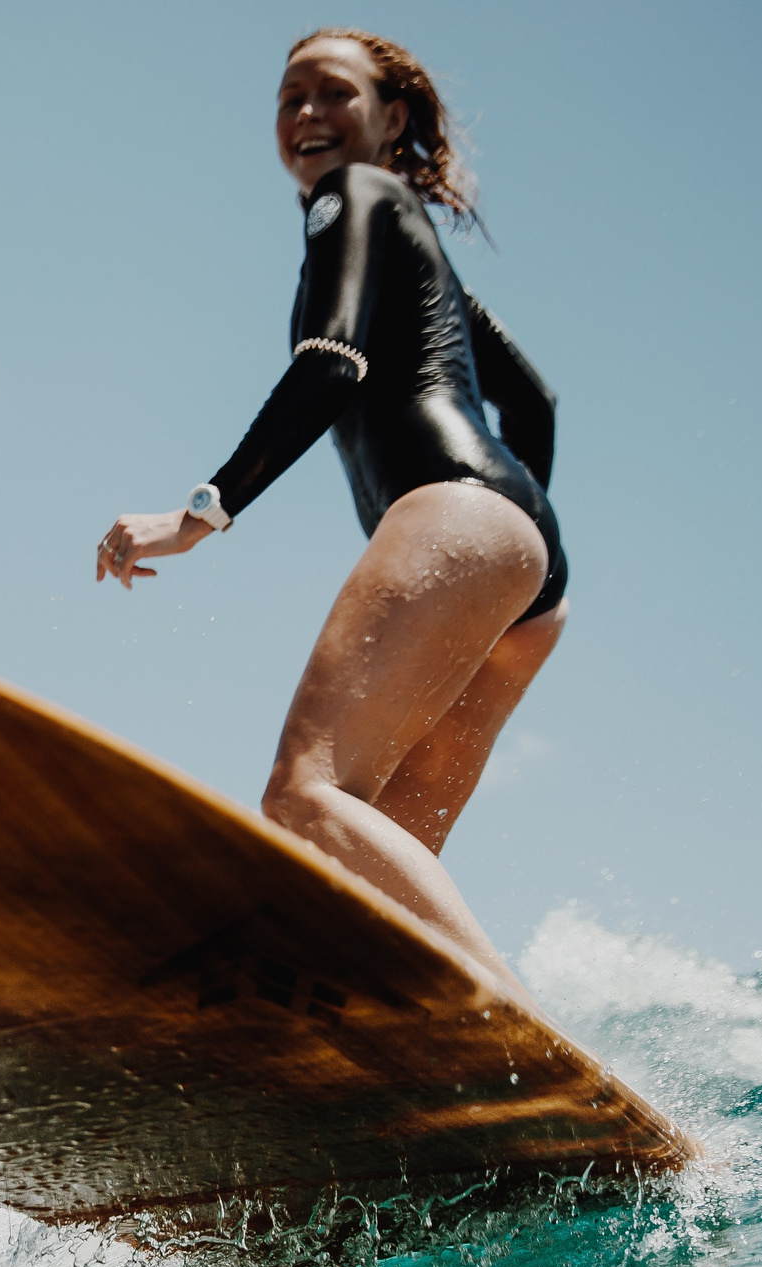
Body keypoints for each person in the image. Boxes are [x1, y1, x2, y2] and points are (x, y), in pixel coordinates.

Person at [99, 28, 566, 997]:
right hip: (520, 564)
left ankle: (514, 1042)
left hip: (461, 519)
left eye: (333, 94)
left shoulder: (349, 197)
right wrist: (513, 549)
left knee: (307, 797)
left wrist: (200, 514)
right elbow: (536, 402)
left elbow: (331, 360)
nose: (306, 115)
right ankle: (384, 1056)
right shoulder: (418, 242)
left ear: (390, 119)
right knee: (370, 867)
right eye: (288, 97)